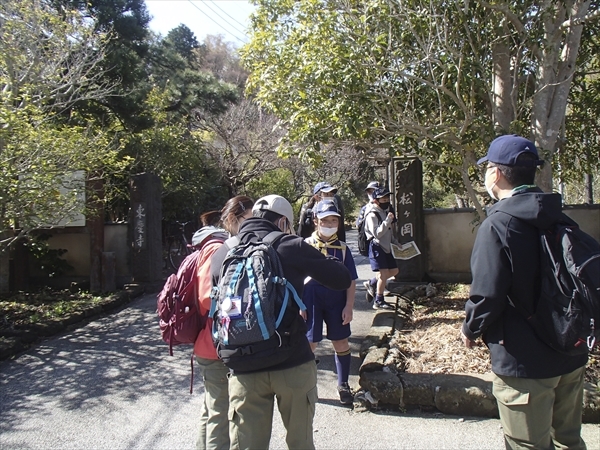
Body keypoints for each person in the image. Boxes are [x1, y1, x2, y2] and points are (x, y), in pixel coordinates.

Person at [461, 135, 588, 450]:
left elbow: (486, 295)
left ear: (497, 173)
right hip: (570, 351)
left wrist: (470, 328)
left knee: (527, 445)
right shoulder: (559, 216)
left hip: (524, 363)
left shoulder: (497, 226)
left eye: (488, 167)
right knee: (569, 441)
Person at [210, 194, 352, 450]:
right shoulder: (291, 245)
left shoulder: (223, 253)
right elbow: (341, 279)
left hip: (243, 367)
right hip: (292, 362)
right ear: (284, 221)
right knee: (300, 443)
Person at [193, 196, 254, 450]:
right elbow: (207, 298)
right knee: (220, 413)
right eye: (248, 220)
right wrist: (242, 306)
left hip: (211, 344)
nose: (252, 226)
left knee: (211, 410)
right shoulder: (218, 248)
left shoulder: (218, 245)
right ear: (232, 219)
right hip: (215, 344)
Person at [303, 200, 357, 405]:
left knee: (341, 341)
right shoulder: (304, 246)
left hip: (337, 298)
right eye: (325, 219)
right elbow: (296, 278)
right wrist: (299, 304)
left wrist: (349, 305)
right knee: (310, 343)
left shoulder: (342, 249)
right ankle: (307, 386)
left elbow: (351, 279)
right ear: (315, 220)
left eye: (334, 220)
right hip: (311, 299)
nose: (330, 223)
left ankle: (343, 384)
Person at [364, 187, 398, 310]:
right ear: (376, 200)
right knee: (383, 275)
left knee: (394, 271)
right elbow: (377, 233)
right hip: (377, 246)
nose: (386, 200)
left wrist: (395, 242)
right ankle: (379, 300)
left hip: (387, 246)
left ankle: (372, 283)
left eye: (387, 198)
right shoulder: (372, 215)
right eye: (383, 199)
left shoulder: (385, 211)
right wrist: (388, 220)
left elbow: (389, 232)